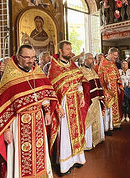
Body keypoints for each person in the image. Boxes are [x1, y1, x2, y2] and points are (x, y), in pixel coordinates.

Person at [0, 44, 59, 177]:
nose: (31, 60)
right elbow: (3, 105)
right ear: (18, 57)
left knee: (39, 154)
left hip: (38, 120)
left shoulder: (37, 71)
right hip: (18, 124)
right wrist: (6, 130)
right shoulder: (9, 77)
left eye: (33, 57)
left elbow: (44, 93)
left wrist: (47, 111)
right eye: (26, 57)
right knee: (20, 157)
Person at [48, 40, 86, 175]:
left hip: (75, 101)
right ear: (60, 51)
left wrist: (81, 96)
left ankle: (77, 159)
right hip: (63, 104)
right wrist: (58, 107)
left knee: (77, 131)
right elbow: (51, 91)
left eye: (70, 49)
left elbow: (79, 82)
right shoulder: (54, 67)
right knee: (64, 134)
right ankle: (65, 164)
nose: (70, 51)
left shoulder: (72, 64)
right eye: (67, 49)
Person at [81, 53, 105, 150]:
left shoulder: (93, 70)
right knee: (89, 120)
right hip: (89, 100)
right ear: (85, 60)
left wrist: (100, 94)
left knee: (97, 119)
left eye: (92, 58)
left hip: (96, 99)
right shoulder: (81, 71)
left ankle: (97, 139)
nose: (92, 60)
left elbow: (97, 83)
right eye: (90, 58)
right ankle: (88, 143)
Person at [98, 47, 124, 134]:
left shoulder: (113, 63)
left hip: (114, 89)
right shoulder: (103, 63)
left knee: (115, 107)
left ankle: (115, 123)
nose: (116, 57)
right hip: (107, 89)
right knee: (108, 108)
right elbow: (101, 77)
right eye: (115, 55)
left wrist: (119, 85)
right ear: (110, 54)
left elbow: (117, 75)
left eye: (117, 55)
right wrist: (106, 87)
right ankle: (107, 128)